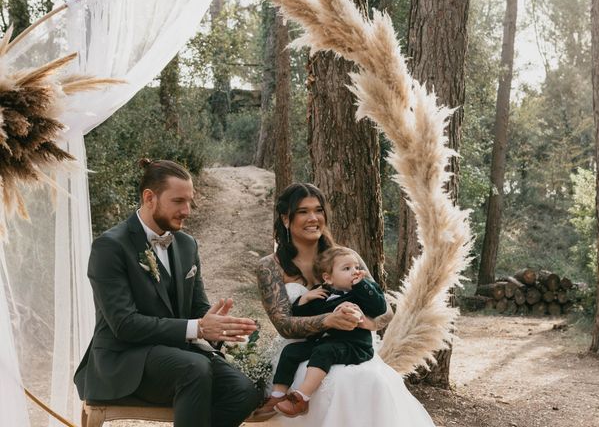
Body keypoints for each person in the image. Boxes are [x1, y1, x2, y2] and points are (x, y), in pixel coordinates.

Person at [74, 159, 261, 427]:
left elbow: (198, 308)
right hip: (124, 360)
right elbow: (124, 325)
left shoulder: (187, 244)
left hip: (177, 357)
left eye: (190, 201)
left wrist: (219, 328)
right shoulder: (110, 247)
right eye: (178, 201)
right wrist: (197, 328)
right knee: (193, 369)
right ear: (150, 197)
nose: (187, 210)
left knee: (244, 391)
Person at [253, 182, 436, 426]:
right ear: (286, 219)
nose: (313, 218)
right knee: (334, 380)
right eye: (303, 211)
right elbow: (284, 325)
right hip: (300, 349)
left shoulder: (345, 258)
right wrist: (328, 320)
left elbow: (385, 313)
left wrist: (361, 322)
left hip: (351, 345)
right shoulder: (270, 266)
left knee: (368, 380)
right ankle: (285, 398)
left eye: (318, 210)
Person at [263, 246, 387, 417]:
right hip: (326, 341)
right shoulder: (324, 294)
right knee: (291, 351)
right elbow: (300, 319)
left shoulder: (360, 293)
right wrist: (304, 300)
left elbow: (379, 307)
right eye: (347, 268)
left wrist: (362, 285)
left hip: (353, 346)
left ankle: (301, 399)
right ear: (328, 278)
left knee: (324, 351)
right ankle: (277, 395)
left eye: (357, 267)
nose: (355, 271)